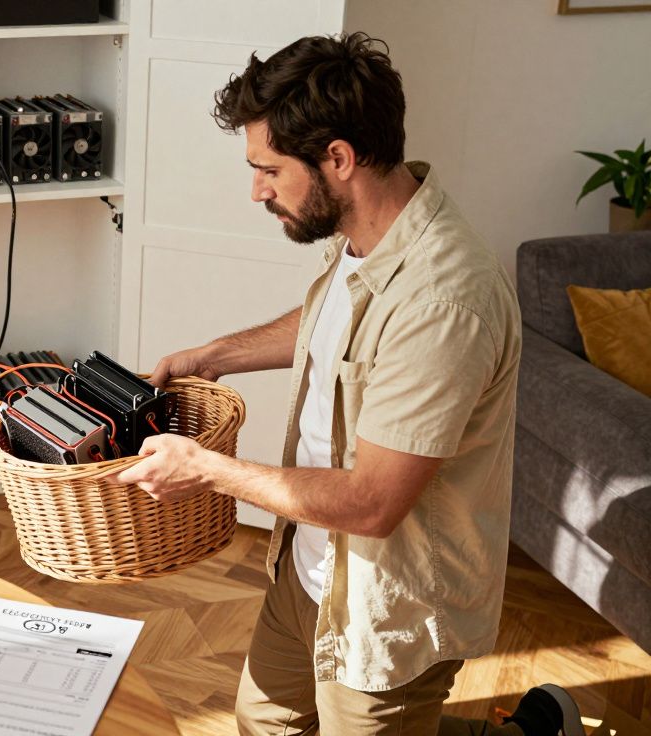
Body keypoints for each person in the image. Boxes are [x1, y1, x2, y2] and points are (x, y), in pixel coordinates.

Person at [113, 33, 584, 736]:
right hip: (310, 565)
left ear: (337, 158)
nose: (256, 190)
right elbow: (335, 322)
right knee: (267, 724)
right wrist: (214, 354)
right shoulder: (369, 235)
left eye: (269, 169)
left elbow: (370, 503)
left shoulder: (443, 300)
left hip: (385, 606)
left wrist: (206, 469)